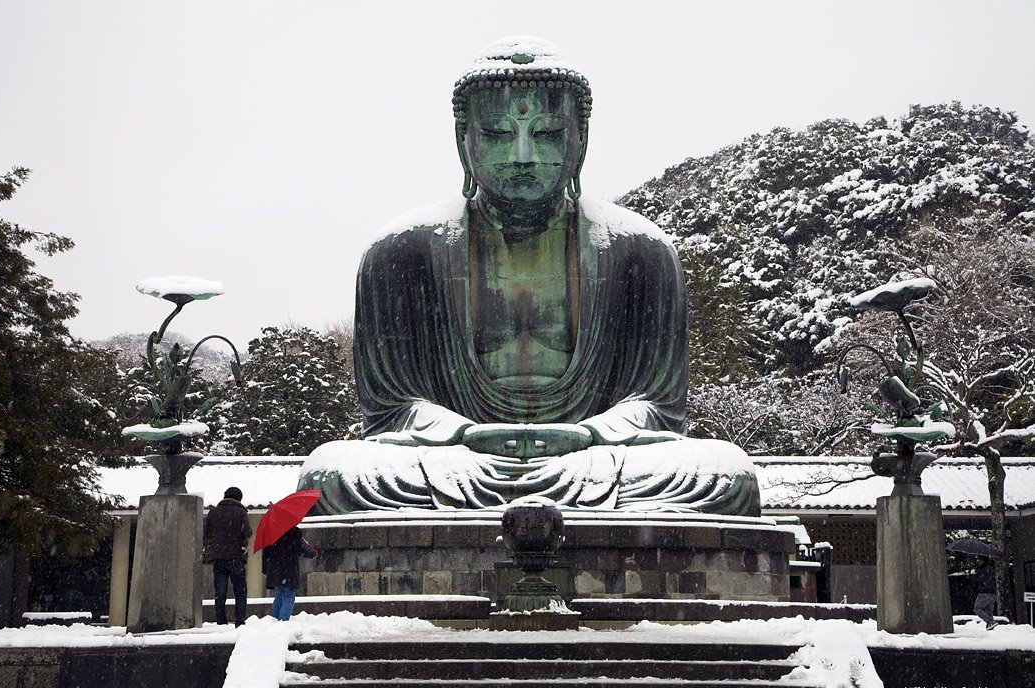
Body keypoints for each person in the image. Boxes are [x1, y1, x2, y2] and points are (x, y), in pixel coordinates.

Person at [298, 36, 760, 516]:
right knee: (332, 473)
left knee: (725, 474)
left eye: (546, 134)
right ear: (464, 140)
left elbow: (659, 406)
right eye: (498, 134)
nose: (522, 155)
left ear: (580, 139)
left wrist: (588, 435)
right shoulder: (400, 252)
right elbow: (390, 410)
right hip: (455, 461)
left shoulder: (639, 251)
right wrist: (464, 435)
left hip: (593, 459)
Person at [203, 486, 253, 627]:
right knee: (240, 591)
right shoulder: (241, 513)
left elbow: (207, 533)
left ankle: (221, 621)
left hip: (218, 557)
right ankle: (240, 620)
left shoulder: (213, 512)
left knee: (220, 592)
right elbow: (248, 532)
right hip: (236, 556)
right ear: (239, 499)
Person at [262, 526, 318, 621]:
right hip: (289, 568)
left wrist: (264, 569)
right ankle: (283, 621)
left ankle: (274, 620)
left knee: (279, 595)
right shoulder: (293, 531)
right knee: (289, 595)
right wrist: (311, 554)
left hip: (275, 569)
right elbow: (299, 548)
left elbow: (266, 552)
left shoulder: (272, 531)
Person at [973, 555, 997, 629]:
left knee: (977, 608)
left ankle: (990, 621)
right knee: (988, 612)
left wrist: (975, 574)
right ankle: (991, 628)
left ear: (983, 561)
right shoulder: (991, 569)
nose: (978, 561)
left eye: (979, 560)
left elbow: (979, 580)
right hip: (993, 594)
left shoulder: (982, 570)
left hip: (984, 593)